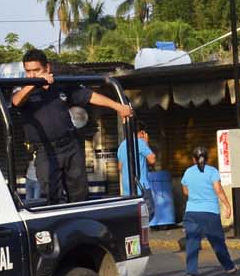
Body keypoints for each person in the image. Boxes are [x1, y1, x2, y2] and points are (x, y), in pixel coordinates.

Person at [10, 48, 133, 204]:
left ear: (47, 68)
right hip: (45, 150)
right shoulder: (22, 88)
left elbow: (89, 96)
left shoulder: (61, 84)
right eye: (29, 71)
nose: (32, 75)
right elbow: (16, 101)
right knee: (53, 197)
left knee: (79, 194)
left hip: (70, 145)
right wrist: (33, 84)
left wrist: (118, 106)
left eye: (37, 70)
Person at [180, 146, 238, 276]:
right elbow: (218, 190)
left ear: (193, 159)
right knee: (217, 241)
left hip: (191, 212)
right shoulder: (212, 171)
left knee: (192, 241)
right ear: (206, 158)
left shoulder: (188, 172)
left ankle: (191, 271)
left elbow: (185, 191)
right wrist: (227, 206)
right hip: (209, 212)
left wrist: (196, 196)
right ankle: (229, 267)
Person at [117, 127, 157, 198]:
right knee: (148, 205)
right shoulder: (140, 142)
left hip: (127, 190)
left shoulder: (122, 145)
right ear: (142, 132)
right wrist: (146, 143)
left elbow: (120, 168)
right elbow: (152, 160)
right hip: (141, 188)